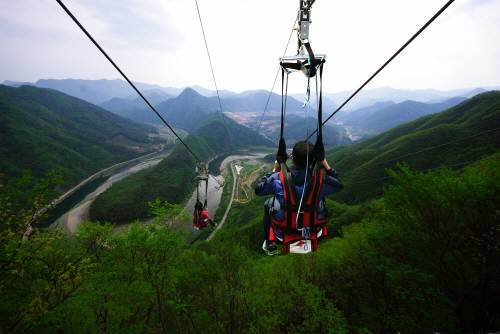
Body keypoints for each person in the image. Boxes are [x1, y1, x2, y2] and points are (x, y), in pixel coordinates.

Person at [255, 141, 343, 255]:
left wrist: (274, 170)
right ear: (314, 160)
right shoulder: (321, 182)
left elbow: (259, 189)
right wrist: (326, 166)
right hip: (314, 229)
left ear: (293, 159)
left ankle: (269, 241)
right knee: (320, 200)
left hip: (283, 232)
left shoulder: (277, 179)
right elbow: (339, 184)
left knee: (268, 204)